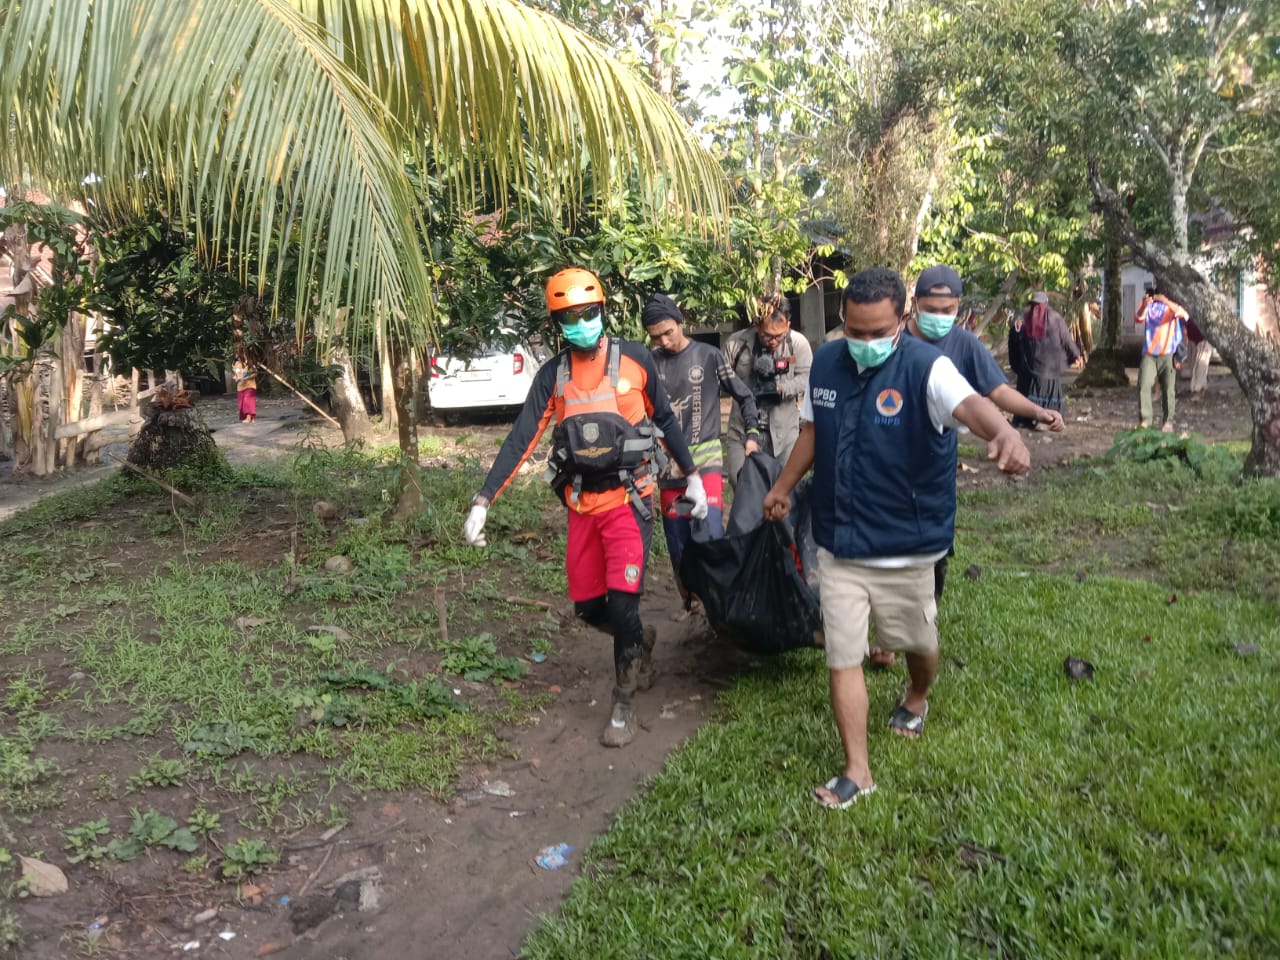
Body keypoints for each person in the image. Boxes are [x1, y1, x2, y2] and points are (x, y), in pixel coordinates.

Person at [762, 267, 1030, 809]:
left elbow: (971, 406)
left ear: (902, 320)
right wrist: (784, 486)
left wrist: (1003, 432)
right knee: (842, 656)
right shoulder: (828, 363)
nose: (864, 344)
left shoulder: (929, 368)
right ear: (844, 321)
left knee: (917, 644)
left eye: (877, 332)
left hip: (906, 543)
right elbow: (813, 431)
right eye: (855, 332)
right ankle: (857, 771)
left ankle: (918, 693)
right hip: (840, 541)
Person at [461, 267, 707, 749]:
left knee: (622, 600)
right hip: (581, 506)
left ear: (602, 311)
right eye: (570, 317)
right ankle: (640, 638)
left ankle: (623, 704)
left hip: (630, 502)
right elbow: (521, 437)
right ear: (558, 323)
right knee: (591, 608)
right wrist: (482, 501)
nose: (582, 323)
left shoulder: (635, 360)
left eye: (589, 313)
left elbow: (665, 420)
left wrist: (692, 476)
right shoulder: (554, 375)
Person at [867, 265, 1064, 669]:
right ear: (914, 305)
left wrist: (1036, 412)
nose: (940, 315)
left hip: (934, 467)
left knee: (933, 555)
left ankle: (921, 629)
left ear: (958, 308)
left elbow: (996, 391)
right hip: (884, 460)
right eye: (931, 307)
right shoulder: (889, 339)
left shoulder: (962, 344)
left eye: (949, 308)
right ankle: (883, 636)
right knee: (880, 549)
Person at [641, 293, 762, 605]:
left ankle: (720, 606)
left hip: (706, 464)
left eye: (669, 331)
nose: (664, 341)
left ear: (680, 322)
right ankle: (691, 602)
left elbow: (745, 396)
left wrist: (752, 434)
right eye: (656, 336)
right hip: (669, 470)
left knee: (708, 533)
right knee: (679, 544)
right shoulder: (650, 364)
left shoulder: (709, 356)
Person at [722, 295, 812, 489]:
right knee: (740, 483)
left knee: (785, 490)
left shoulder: (798, 344)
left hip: (784, 434)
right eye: (767, 336)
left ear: (788, 324)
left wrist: (780, 389)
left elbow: (807, 378)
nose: (773, 341)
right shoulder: (735, 344)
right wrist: (745, 392)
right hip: (742, 431)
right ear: (756, 325)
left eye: (779, 336)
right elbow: (721, 380)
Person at [1007, 291, 1083, 429]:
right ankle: (1044, 419)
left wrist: (1016, 331)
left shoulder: (1026, 319)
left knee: (1027, 390)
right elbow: (1066, 339)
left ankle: (1031, 419)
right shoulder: (1054, 318)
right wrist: (1075, 354)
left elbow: (1015, 340)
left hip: (1031, 369)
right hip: (1047, 369)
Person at [1133, 284, 1188, 431]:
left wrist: (1165, 301)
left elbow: (1184, 314)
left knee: (1168, 388)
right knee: (1143, 385)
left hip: (1168, 353)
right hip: (1149, 354)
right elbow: (1138, 317)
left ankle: (1168, 421)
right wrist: (1144, 305)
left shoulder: (1171, 306)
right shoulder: (1148, 303)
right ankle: (1145, 420)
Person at [1182, 317, 1212, 400]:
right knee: (1193, 365)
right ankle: (1201, 388)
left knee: (1201, 365)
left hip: (1203, 339)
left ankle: (1197, 390)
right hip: (1192, 339)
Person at [232, 353, 257, 423]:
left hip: (250, 385)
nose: (237, 356)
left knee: (248, 402)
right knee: (242, 404)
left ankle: (248, 418)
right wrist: (235, 378)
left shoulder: (249, 362)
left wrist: (246, 378)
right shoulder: (235, 364)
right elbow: (235, 375)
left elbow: (255, 373)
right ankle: (250, 418)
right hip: (240, 387)